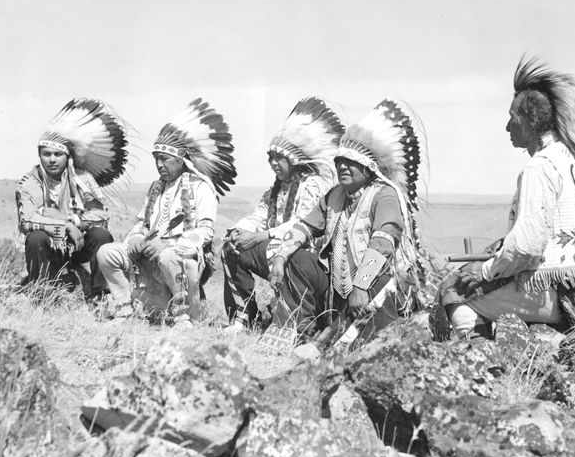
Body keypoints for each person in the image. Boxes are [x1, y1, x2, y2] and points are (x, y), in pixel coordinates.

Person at [440, 56, 575, 339]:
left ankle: (481, 363)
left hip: (551, 296)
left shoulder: (539, 167)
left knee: (452, 289)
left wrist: (485, 270)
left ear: (530, 120)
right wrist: (502, 248)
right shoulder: (573, 161)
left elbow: (528, 247)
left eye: (512, 117)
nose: (507, 127)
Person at [268, 99, 425, 346]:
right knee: (296, 258)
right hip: (338, 285)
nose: (342, 166)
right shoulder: (335, 195)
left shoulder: (384, 195)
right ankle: (306, 332)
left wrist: (361, 286)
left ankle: (342, 338)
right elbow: (305, 227)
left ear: (368, 167)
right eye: (339, 161)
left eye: (350, 162)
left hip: (377, 285)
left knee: (366, 344)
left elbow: (383, 242)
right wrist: (280, 257)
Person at [97, 98, 236, 323]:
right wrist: (136, 238)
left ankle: (184, 317)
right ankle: (125, 308)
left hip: (182, 254)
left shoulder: (201, 187)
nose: (160, 165)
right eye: (157, 160)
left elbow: (206, 231)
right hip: (150, 253)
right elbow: (143, 222)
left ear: (181, 159)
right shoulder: (156, 188)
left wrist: (169, 245)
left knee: (168, 255)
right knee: (107, 252)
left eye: (166, 159)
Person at [222, 96, 344, 331]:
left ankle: (297, 323)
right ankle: (244, 317)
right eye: (271, 158)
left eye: (279, 158)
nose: (273, 163)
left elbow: (303, 224)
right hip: (272, 249)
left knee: (291, 256)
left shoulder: (314, 185)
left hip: (304, 256)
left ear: (294, 159)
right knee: (231, 249)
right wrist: (240, 231)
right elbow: (259, 215)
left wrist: (260, 237)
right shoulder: (276, 189)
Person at [15, 98, 129, 299]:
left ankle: (100, 293)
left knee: (101, 235)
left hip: (79, 245)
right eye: (46, 154)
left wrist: (75, 221)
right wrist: (66, 226)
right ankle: (44, 293)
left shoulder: (82, 178)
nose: (52, 159)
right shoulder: (30, 182)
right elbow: (27, 221)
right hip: (49, 248)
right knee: (36, 237)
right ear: (39, 155)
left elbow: (101, 215)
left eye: (57, 154)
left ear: (67, 156)